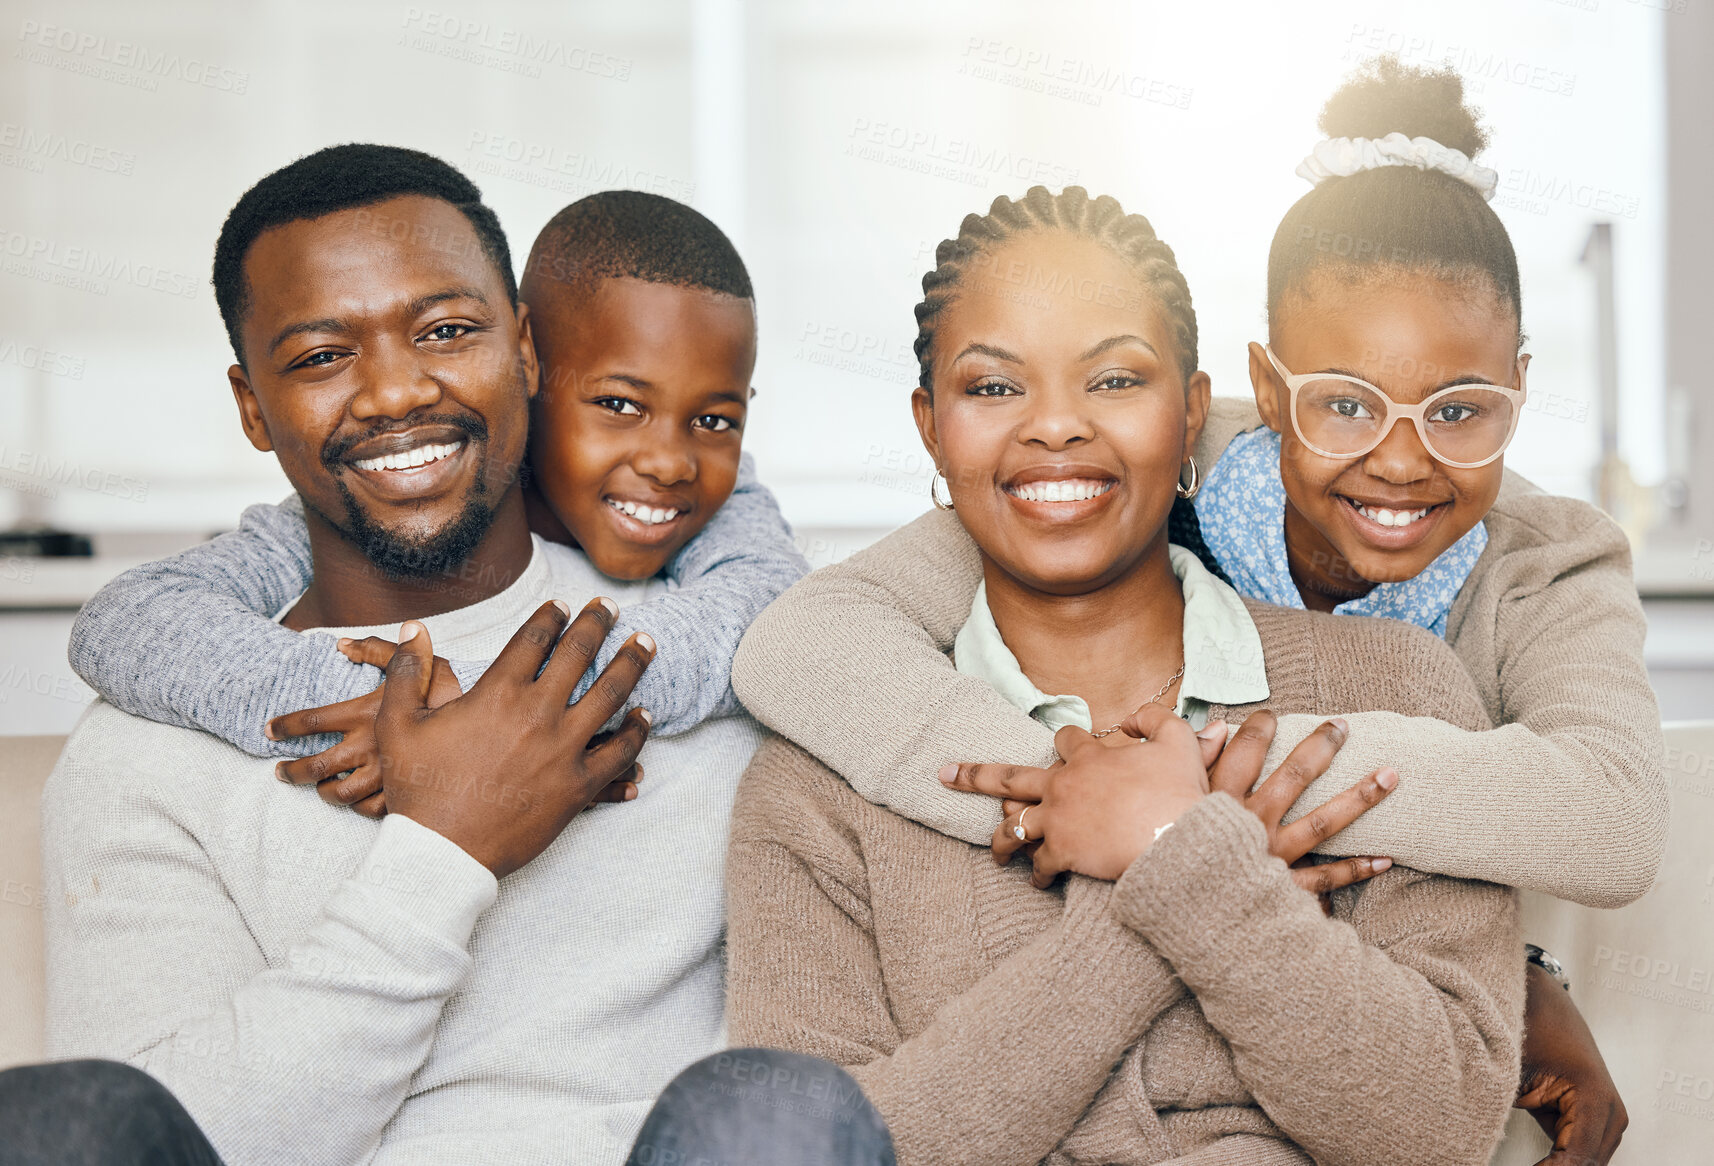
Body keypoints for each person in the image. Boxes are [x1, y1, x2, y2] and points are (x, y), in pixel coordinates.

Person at [732, 62, 1656, 1164]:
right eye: (993, 387)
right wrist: (1152, 828)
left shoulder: (1445, 658)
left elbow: (1599, 829)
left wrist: (1198, 803)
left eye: (1458, 410)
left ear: (1183, 409)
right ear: (1262, 399)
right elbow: (824, 1141)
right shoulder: (831, 763)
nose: (1398, 457)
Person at [7, 146, 772, 1165]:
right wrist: (447, 844)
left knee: (778, 1104)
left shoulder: (710, 652)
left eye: (448, 331)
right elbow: (150, 1136)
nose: (395, 392)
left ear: (529, 354)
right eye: (322, 355)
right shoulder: (151, 745)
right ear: (252, 406)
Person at [65, 187, 807, 812]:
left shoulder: (721, 494)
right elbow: (128, 620)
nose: (667, 460)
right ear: (527, 370)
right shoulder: (403, 492)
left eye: (714, 420)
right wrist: (399, 718)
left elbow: (773, 614)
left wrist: (492, 724)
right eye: (617, 404)